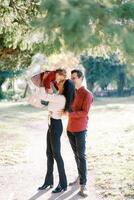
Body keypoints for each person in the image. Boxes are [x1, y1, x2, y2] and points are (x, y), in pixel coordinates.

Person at [28, 78, 75, 193]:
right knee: (49, 154)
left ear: (65, 87)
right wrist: (48, 82)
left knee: (57, 155)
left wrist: (44, 81)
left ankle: (63, 183)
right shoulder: (58, 96)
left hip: (55, 126)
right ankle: (48, 181)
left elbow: (44, 96)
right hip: (51, 125)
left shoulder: (60, 98)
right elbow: (47, 93)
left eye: (61, 83)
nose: (58, 83)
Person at [67, 69, 93, 197]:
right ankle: (79, 178)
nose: (72, 80)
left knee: (81, 156)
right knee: (76, 155)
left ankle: (83, 185)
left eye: (74, 78)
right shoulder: (71, 92)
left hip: (81, 129)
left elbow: (84, 112)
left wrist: (70, 113)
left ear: (81, 78)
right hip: (70, 129)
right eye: (71, 78)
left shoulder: (87, 94)